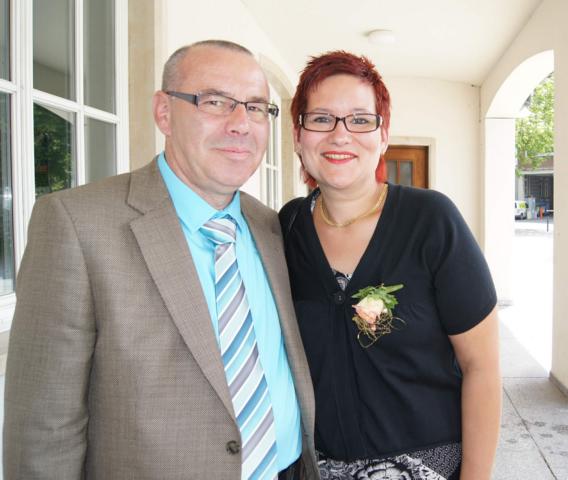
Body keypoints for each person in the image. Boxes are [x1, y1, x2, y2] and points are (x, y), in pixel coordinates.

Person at [4, 40, 319, 480]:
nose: (240, 124)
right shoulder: (76, 224)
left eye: (255, 107)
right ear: (164, 112)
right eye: (215, 102)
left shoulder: (270, 225)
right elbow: (44, 429)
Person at [279, 51, 501, 480]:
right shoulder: (286, 228)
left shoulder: (431, 221)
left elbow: (482, 368)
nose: (340, 135)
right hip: (316, 467)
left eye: (360, 120)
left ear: (383, 136)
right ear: (297, 135)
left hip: (426, 467)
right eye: (321, 119)